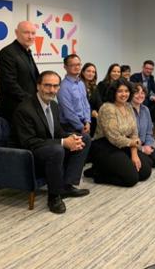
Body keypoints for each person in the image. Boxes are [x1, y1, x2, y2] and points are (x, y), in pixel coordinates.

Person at [12, 71, 90, 214]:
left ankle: (66, 185)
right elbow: (29, 141)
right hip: (30, 153)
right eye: (47, 85)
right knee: (57, 150)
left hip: (48, 146)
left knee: (84, 138)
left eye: (55, 86)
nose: (51, 90)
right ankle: (54, 196)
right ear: (38, 86)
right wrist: (63, 142)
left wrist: (71, 137)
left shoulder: (53, 105)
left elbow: (57, 132)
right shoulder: (25, 109)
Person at [91, 79, 152, 187]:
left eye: (126, 91)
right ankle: (98, 173)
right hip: (105, 145)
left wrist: (134, 154)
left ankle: (112, 167)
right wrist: (134, 143)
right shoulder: (107, 108)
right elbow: (114, 138)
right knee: (131, 179)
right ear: (113, 92)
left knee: (145, 172)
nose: (124, 94)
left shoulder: (128, 106)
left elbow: (134, 132)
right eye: (120, 91)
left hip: (125, 143)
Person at [0, 20, 39, 121]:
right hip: (12, 110)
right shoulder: (7, 53)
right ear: (16, 32)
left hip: (26, 108)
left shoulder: (27, 52)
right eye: (26, 32)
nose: (30, 36)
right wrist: (31, 101)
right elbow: (9, 84)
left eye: (33, 33)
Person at [130, 82, 155, 168]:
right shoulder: (127, 110)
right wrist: (142, 149)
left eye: (142, 93)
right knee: (148, 164)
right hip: (132, 147)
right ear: (131, 94)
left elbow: (149, 132)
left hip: (144, 143)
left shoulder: (146, 110)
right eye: (136, 93)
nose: (140, 95)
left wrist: (147, 145)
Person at [57, 54, 91, 135]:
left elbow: (86, 104)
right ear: (65, 67)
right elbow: (68, 111)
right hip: (70, 126)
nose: (77, 67)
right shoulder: (63, 87)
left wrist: (87, 121)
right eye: (72, 65)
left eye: (78, 64)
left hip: (84, 123)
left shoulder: (81, 83)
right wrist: (81, 127)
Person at [80, 63, 102, 137]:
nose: (91, 74)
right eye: (88, 71)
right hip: (82, 118)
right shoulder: (78, 86)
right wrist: (91, 111)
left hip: (93, 118)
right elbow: (80, 104)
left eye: (93, 72)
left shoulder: (94, 87)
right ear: (83, 72)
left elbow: (99, 103)